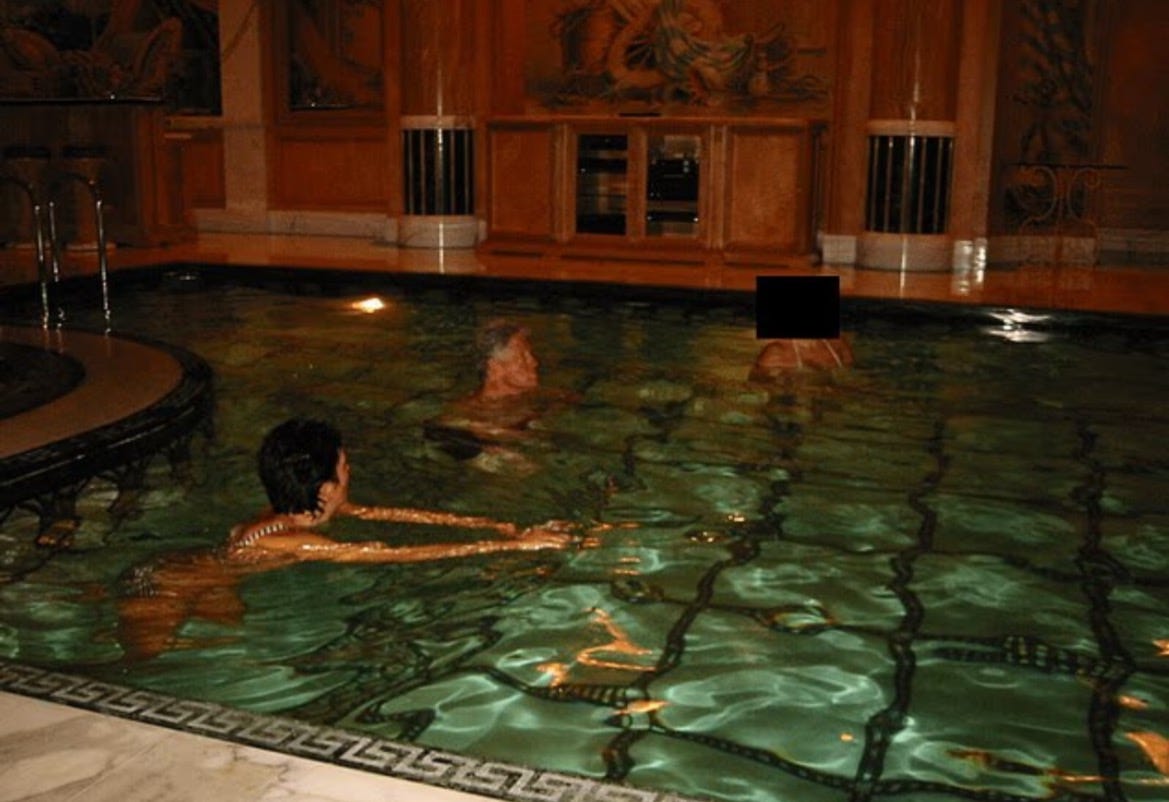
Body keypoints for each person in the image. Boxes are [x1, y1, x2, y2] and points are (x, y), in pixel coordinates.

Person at [115, 418, 575, 660]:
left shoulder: (303, 512)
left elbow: (399, 517)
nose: (350, 471)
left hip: (213, 576)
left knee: (230, 643)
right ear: (327, 489)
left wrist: (494, 526)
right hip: (166, 583)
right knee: (145, 661)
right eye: (344, 466)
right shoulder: (295, 541)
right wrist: (513, 548)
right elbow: (401, 555)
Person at [424, 320, 578, 464]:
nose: (534, 362)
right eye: (523, 357)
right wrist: (495, 434)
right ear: (495, 367)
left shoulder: (544, 396)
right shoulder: (469, 411)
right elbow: (438, 430)